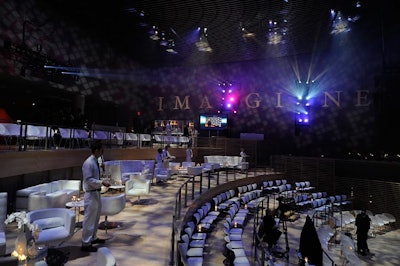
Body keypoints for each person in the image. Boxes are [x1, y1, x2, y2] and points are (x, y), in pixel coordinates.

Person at [81, 141, 110, 252]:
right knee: (89, 219)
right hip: (91, 194)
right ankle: (85, 243)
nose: (103, 152)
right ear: (96, 150)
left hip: (96, 193)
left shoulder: (95, 162)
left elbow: (95, 176)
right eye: (102, 150)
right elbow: (88, 180)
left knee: (96, 217)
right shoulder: (88, 163)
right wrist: (101, 183)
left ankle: (93, 237)